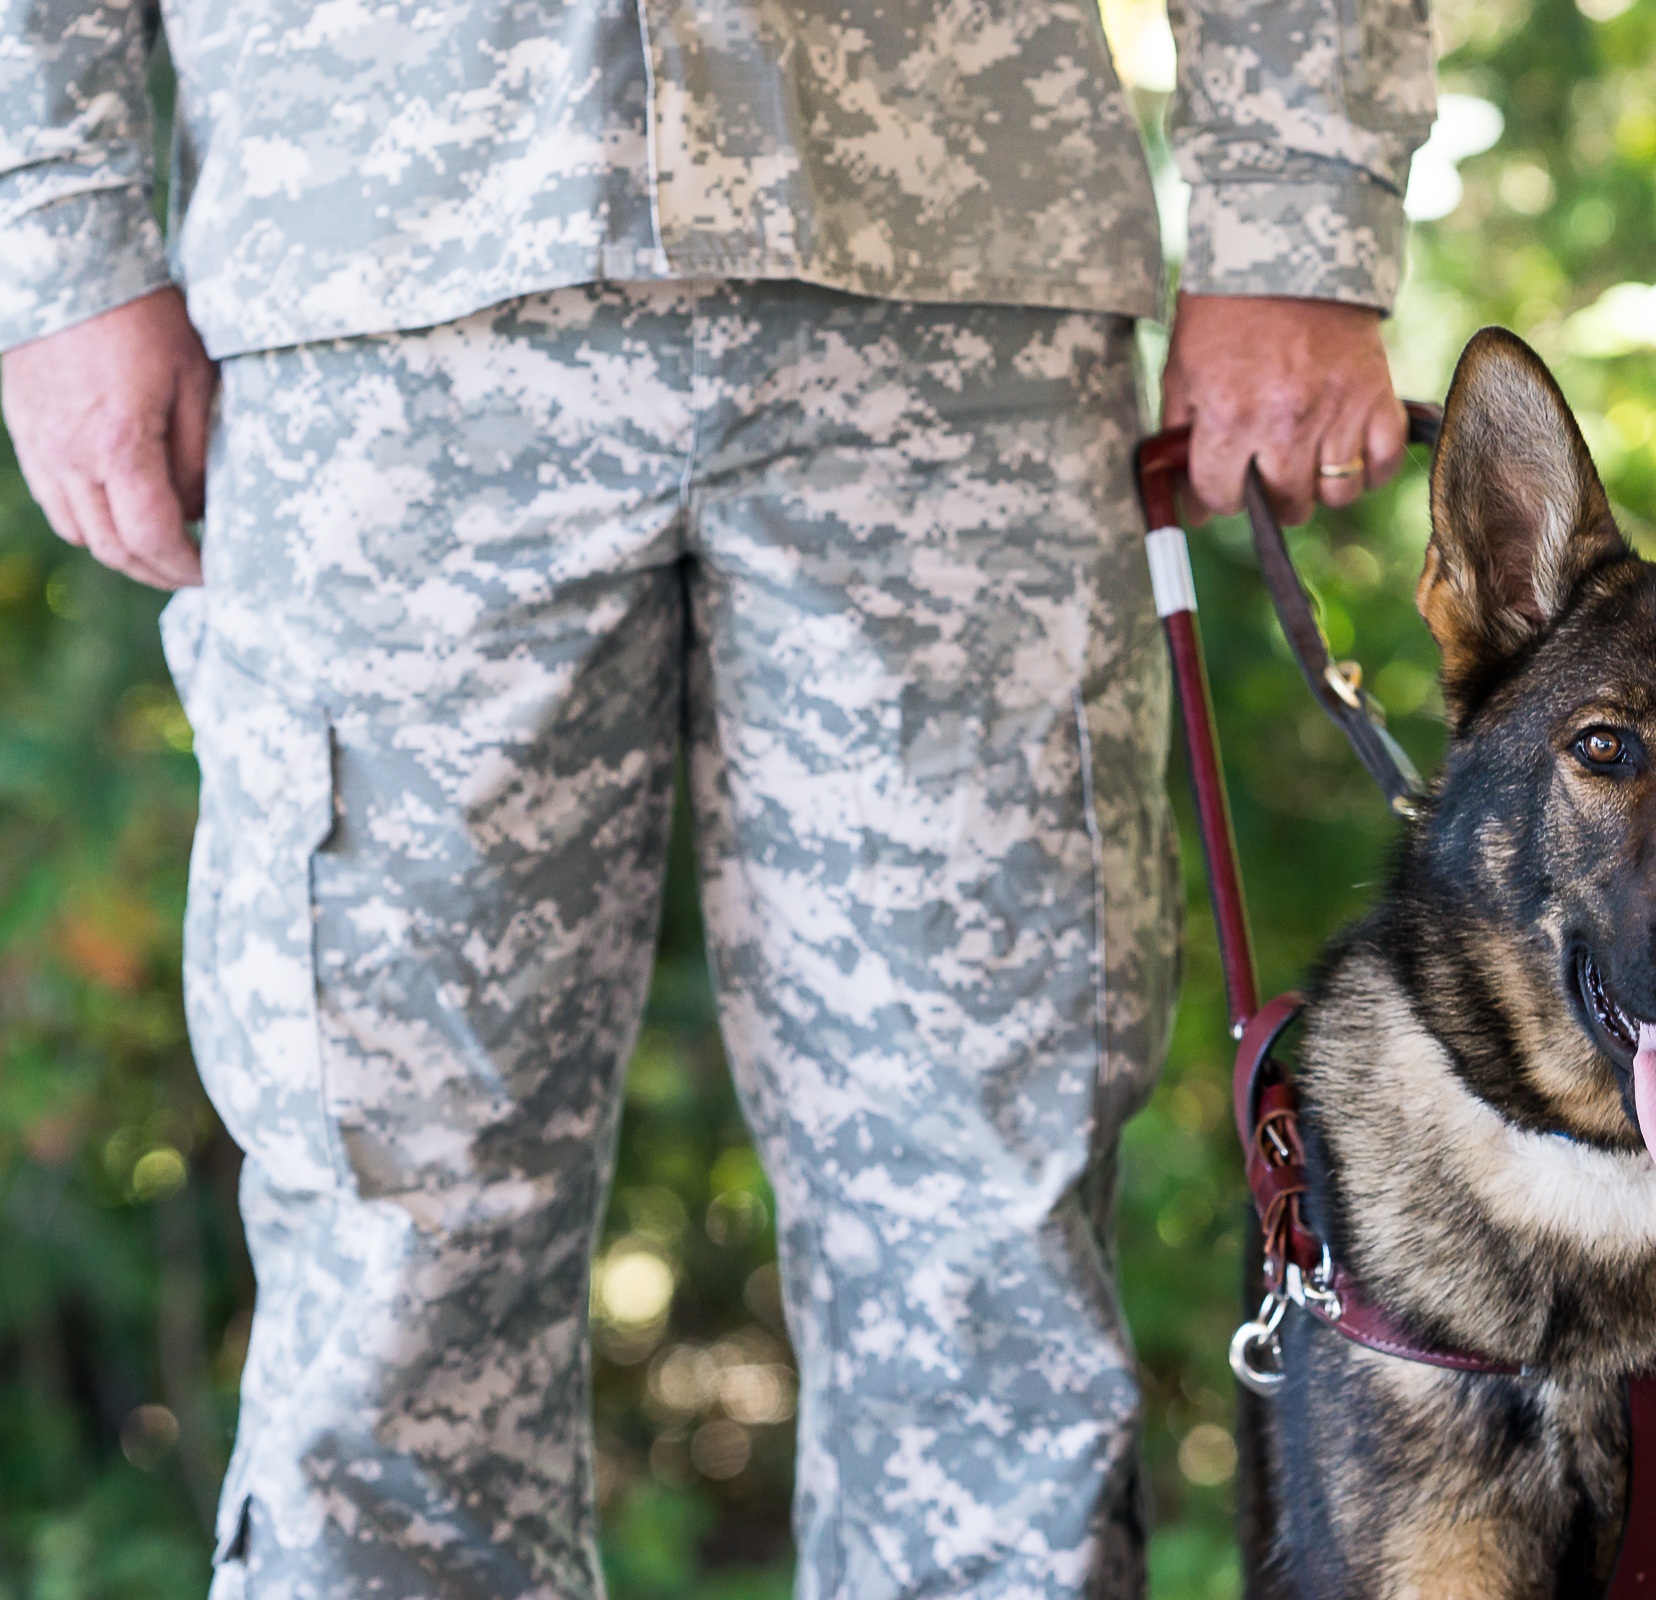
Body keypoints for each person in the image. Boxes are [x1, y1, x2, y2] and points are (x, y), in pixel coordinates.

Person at [0, 0, 1436, 1595]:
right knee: (389, 1265)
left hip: (950, 270)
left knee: (985, 1258)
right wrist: (56, 231)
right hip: (378, 287)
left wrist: (1299, 217)